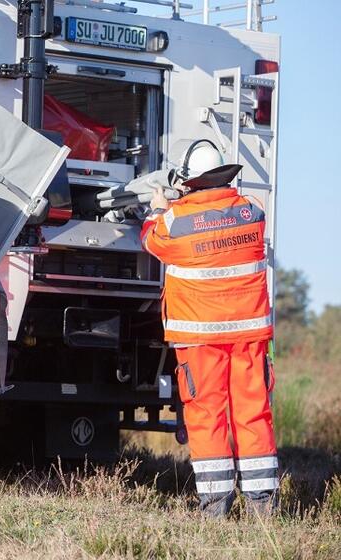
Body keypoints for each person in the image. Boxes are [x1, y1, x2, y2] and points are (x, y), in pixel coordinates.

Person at [142, 139, 279, 516]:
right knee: (253, 412)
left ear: (188, 181)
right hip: (249, 334)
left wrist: (159, 208)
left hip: (200, 337)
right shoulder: (252, 211)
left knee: (207, 414)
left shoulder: (174, 222)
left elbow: (151, 240)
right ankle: (263, 506)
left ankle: (216, 506)